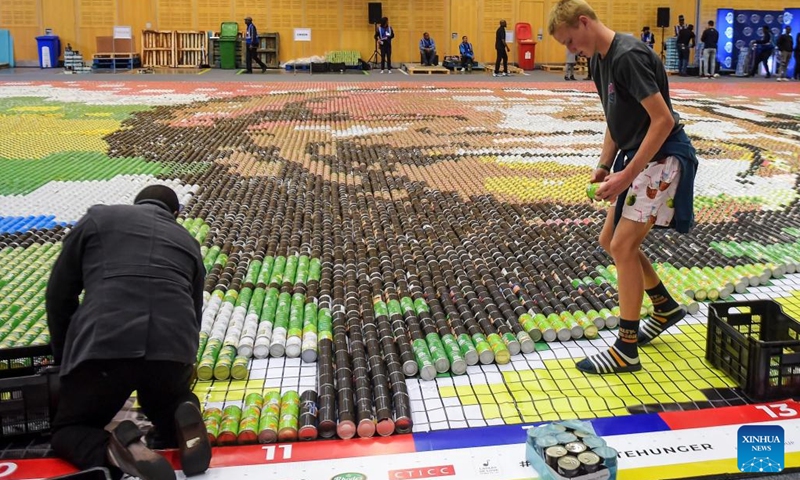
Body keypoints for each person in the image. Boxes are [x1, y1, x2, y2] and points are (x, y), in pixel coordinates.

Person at [549, 0, 698, 375]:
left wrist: (626, 175)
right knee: (610, 241)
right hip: (639, 156)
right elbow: (616, 122)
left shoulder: (627, 55)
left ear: (584, 22)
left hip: (664, 155)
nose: (570, 51)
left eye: (570, 41)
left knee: (622, 245)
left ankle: (626, 349)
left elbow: (662, 121)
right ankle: (664, 307)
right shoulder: (600, 59)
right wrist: (604, 165)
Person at [46, 185, 212, 480]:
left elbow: (59, 295)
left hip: (105, 341)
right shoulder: (187, 241)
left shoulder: (98, 218)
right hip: (172, 344)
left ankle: (116, 449)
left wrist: (65, 365)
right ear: (176, 214)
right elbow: (194, 313)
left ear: (135, 203)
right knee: (168, 401)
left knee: (70, 428)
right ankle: (182, 412)